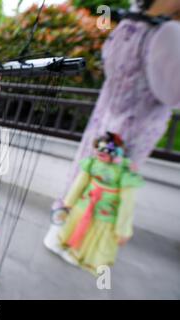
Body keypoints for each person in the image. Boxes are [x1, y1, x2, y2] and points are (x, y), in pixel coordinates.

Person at [44, 0, 180, 257]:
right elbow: (173, 94)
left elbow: (108, 62)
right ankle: (80, 247)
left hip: (103, 119)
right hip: (135, 132)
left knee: (85, 176)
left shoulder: (128, 23)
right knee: (108, 190)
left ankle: (60, 230)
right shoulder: (168, 33)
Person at [57, 133, 144, 274]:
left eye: (108, 150)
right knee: (77, 225)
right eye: (99, 149)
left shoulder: (124, 173)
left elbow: (127, 204)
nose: (101, 153)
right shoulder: (92, 163)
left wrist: (123, 230)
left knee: (93, 236)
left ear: (117, 154)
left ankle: (79, 255)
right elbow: (80, 183)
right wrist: (69, 201)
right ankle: (71, 247)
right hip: (85, 204)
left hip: (105, 212)